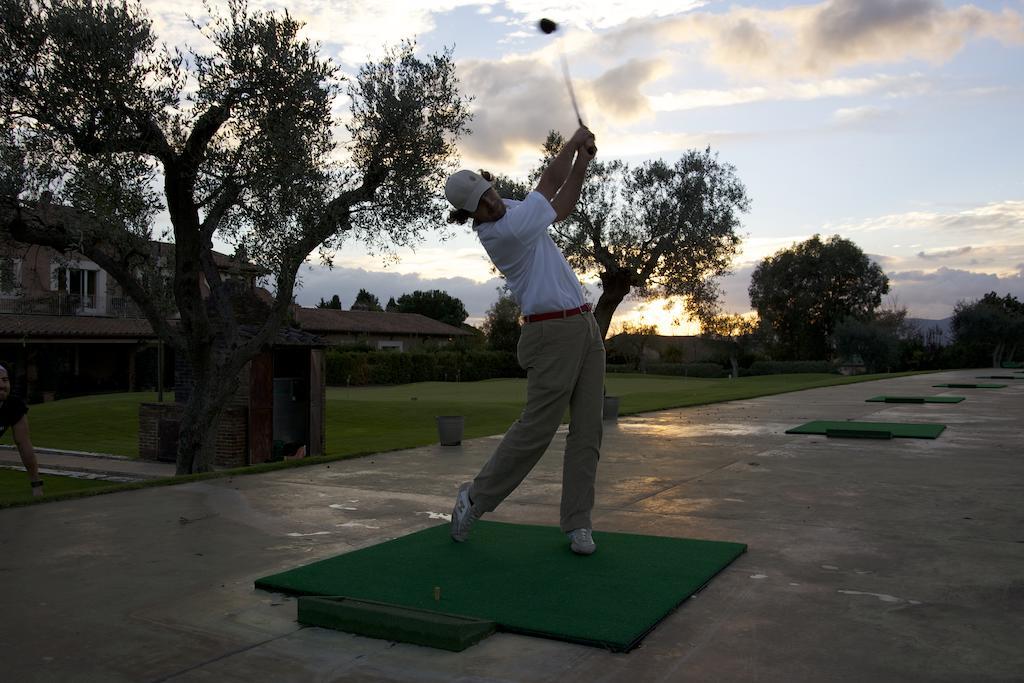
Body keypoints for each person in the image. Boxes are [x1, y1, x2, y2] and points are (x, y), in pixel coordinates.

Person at [444, 126, 603, 555]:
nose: (492, 201)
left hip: (585, 326)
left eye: (489, 191)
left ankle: (577, 523)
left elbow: (560, 206)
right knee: (537, 430)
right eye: (481, 203)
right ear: (468, 216)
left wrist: (583, 160)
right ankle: (475, 499)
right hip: (551, 332)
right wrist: (572, 144)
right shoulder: (503, 233)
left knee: (588, 431)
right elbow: (549, 184)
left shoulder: (512, 209)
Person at [0, 364, 44, 497]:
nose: (2, 385)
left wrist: (36, 485)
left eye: (5, 380)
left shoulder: (14, 405)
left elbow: (24, 444)